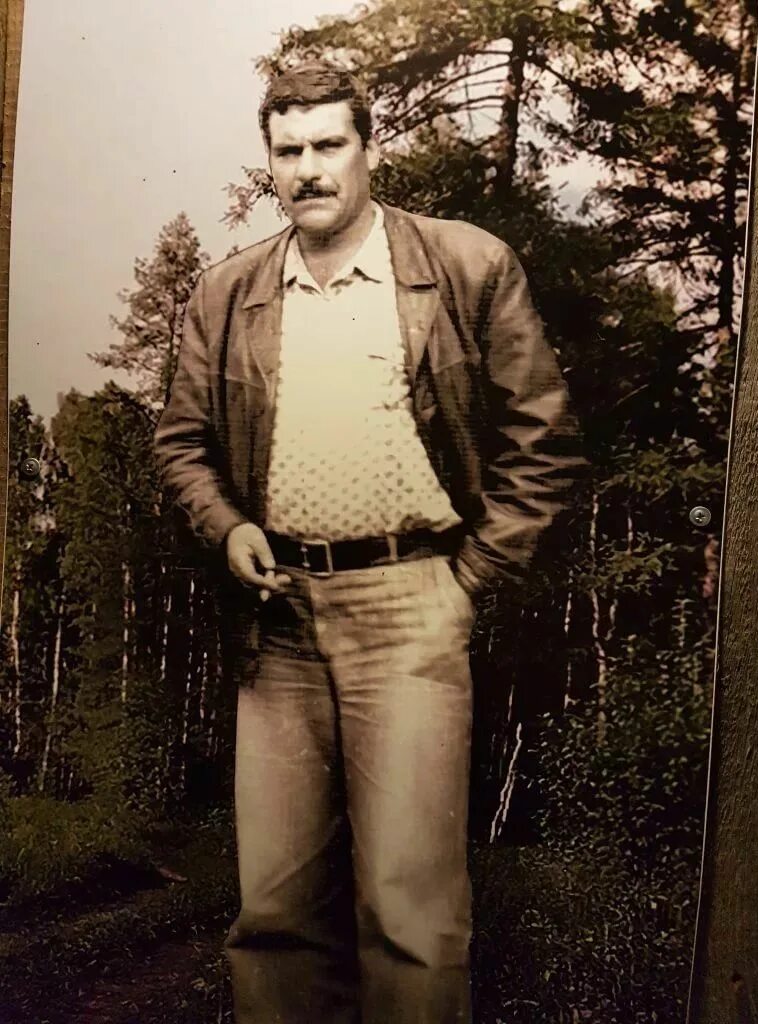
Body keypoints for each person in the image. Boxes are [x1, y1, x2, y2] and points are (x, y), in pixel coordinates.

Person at [154, 59, 584, 1024]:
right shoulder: (227, 292)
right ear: (269, 162)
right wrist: (228, 527)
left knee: (410, 912)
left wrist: (467, 581)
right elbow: (180, 445)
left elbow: (545, 441)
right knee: (274, 914)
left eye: (329, 145)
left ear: (369, 149)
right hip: (276, 622)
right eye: (288, 151)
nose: (309, 169)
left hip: (411, 609)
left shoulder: (465, 265)